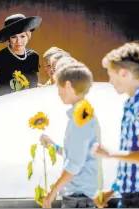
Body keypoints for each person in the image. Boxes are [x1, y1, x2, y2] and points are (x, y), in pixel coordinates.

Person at [41, 62, 98, 208]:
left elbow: (75, 164)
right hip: (80, 195)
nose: (58, 92)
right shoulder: (81, 115)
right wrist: (53, 146)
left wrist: (52, 193)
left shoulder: (81, 119)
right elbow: (74, 154)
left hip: (78, 197)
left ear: (67, 85)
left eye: (58, 86)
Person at [93, 42, 139, 208]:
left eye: (111, 75)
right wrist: (113, 190)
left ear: (124, 73)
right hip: (129, 196)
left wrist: (110, 154)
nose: (110, 81)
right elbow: (130, 163)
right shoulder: (130, 104)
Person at [0, 14, 42, 99]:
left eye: (22, 36)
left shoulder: (33, 56)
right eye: (13, 37)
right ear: (8, 39)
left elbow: (34, 82)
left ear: (28, 36)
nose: (18, 41)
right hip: (4, 104)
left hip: (29, 101)